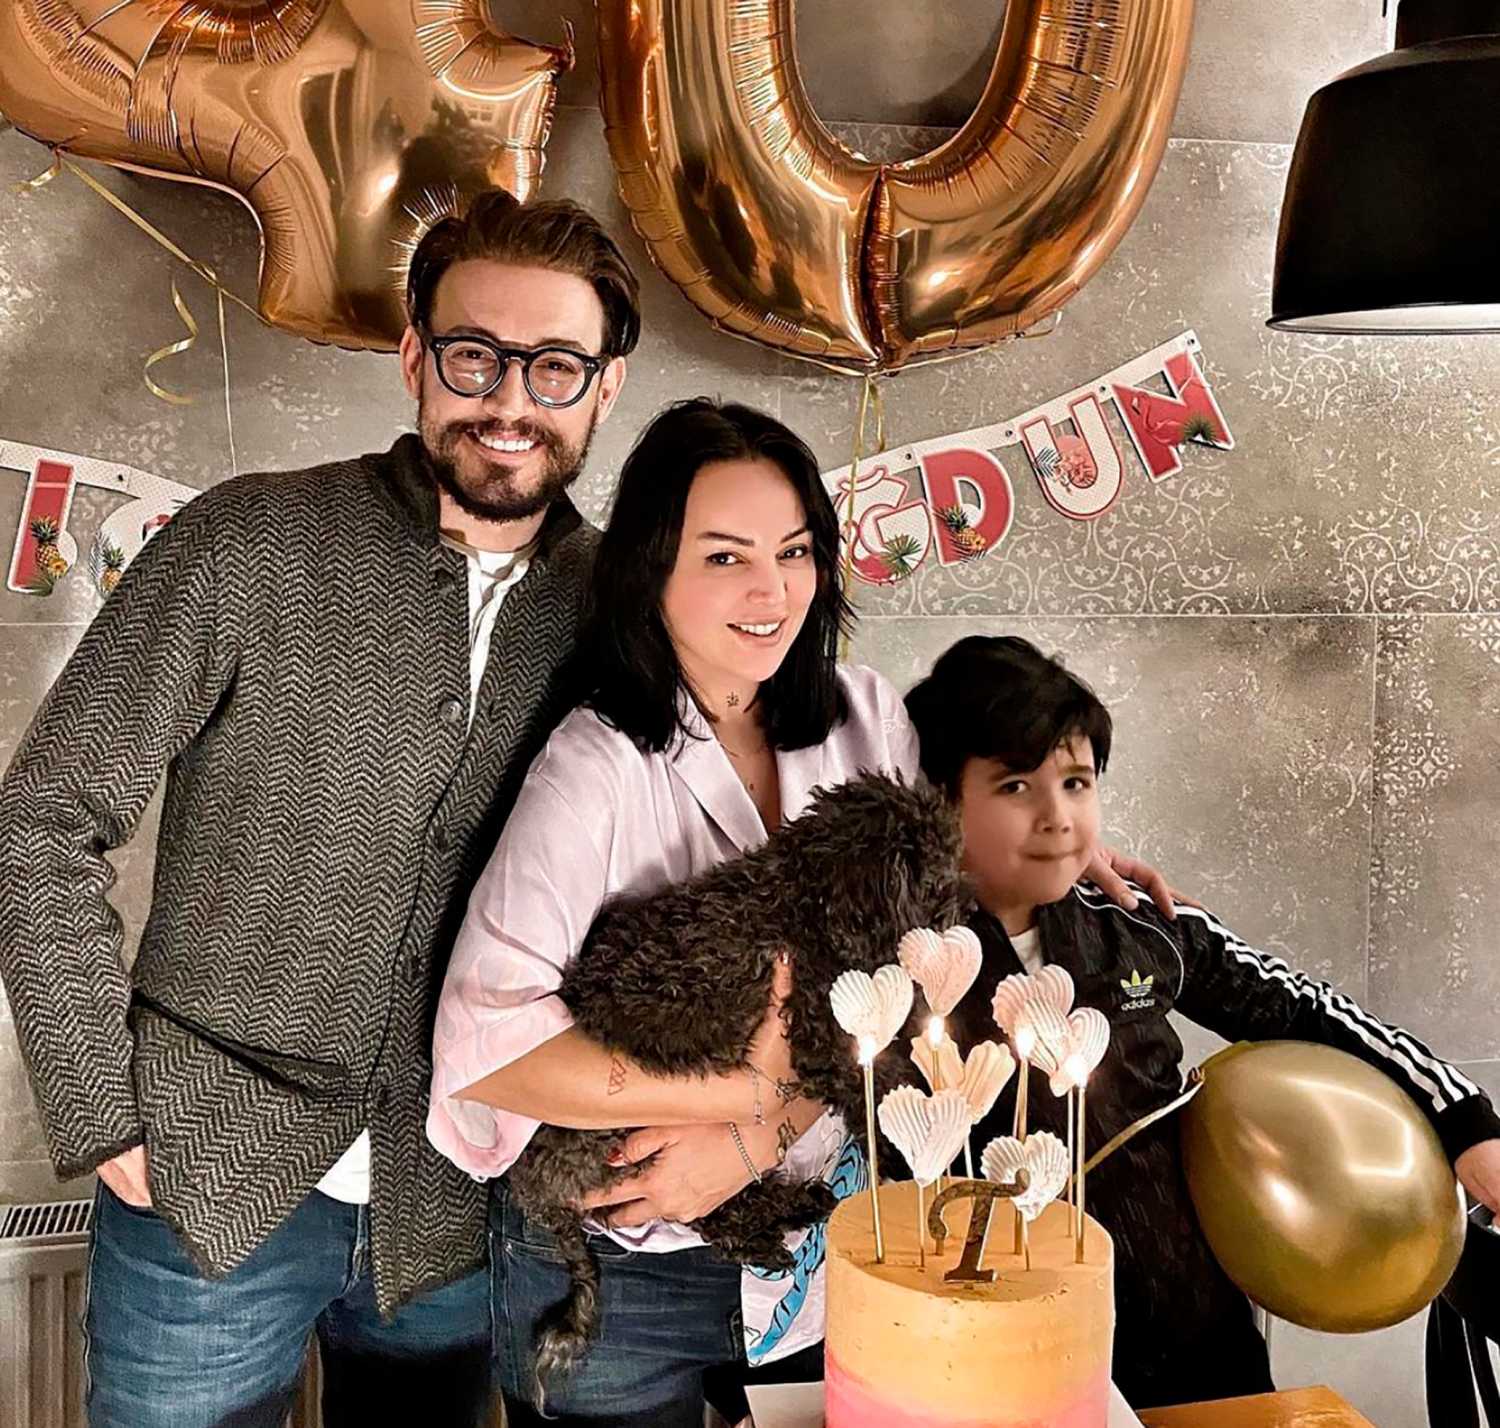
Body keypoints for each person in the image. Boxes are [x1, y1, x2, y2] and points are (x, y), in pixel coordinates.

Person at [0, 189, 637, 1425]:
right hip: (201, 1183)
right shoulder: (248, 541)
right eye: (474, 356)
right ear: (413, 357)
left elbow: (711, 840)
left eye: (555, 366)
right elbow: (44, 817)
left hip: (464, 1202)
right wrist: (104, 1111)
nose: (510, 401)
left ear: (604, 387)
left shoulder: (622, 611)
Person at [426, 400, 1175, 1427]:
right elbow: (486, 1049)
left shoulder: (863, 715)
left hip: (825, 1247)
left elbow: (917, 944)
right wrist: (732, 1094)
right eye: (724, 557)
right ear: (651, 570)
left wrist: (757, 1124)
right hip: (621, 1270)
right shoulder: (594, 767)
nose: (771, 591)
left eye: (794, 551)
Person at [907, 634, 1500, 1411]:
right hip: (987, 1361)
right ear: (940, 799)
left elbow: (1308, 1008)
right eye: (1016, 785)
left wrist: (1464, 1120)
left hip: (1190, 1339)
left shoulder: (1142, 925)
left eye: (1077, 782)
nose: (1058, 818)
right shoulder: (902, 960)